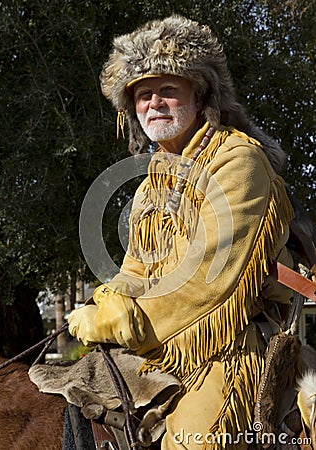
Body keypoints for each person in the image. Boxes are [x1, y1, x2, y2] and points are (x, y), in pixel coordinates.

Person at [68, 16, 296, 449]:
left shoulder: (238, 162)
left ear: (201, 94)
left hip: (227, 347)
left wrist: (125, 321)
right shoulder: (150, 185)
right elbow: (135, 269)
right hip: (156, 343)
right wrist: (105, 302)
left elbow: (209, 284)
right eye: (142, 94)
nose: (154, 102)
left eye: (168, 89)